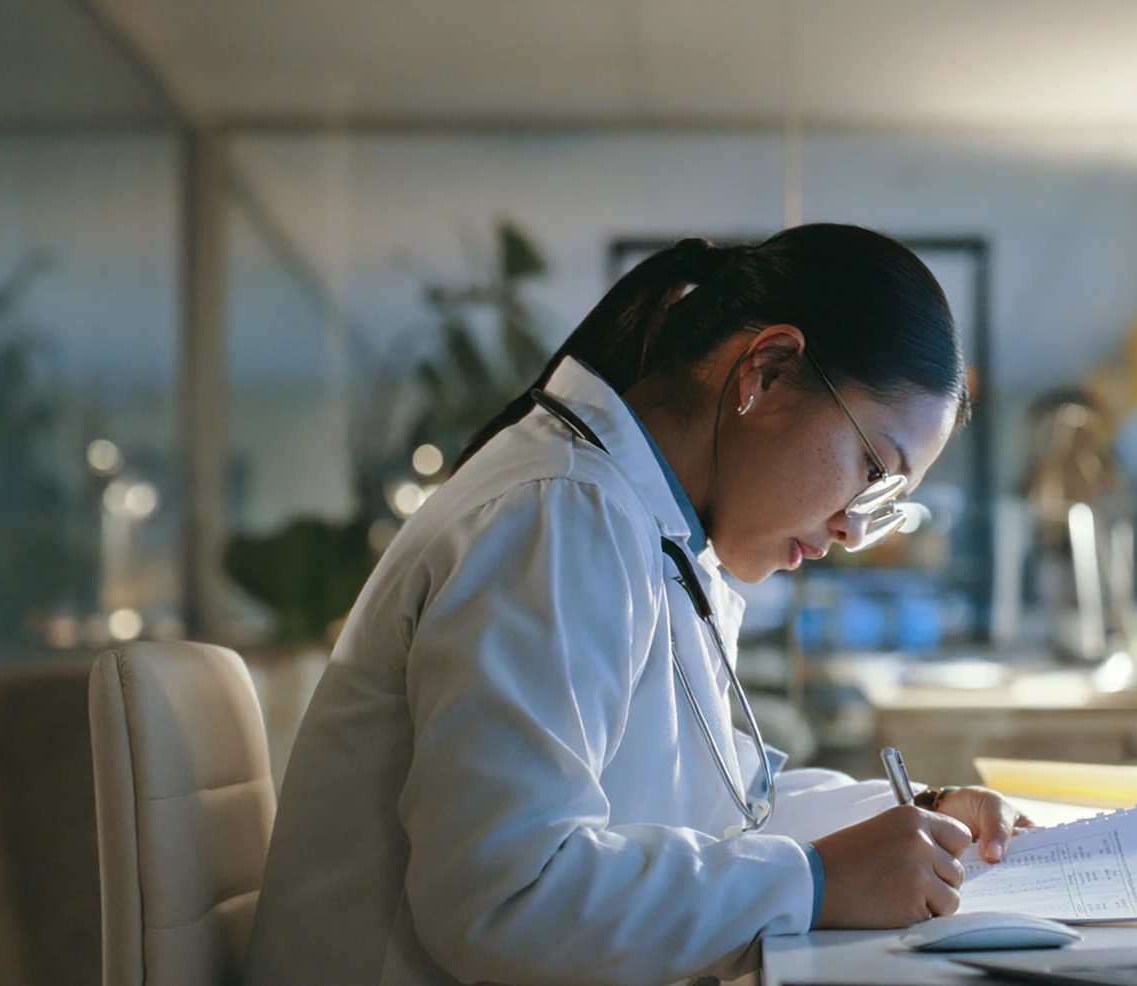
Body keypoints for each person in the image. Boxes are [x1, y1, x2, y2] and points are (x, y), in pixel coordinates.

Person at [245, 224, 1030, 986]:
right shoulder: (555, 515)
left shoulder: (642, 529)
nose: (856, 529)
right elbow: (506, 899)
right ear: (769, 370)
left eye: (886, 500)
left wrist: (923, 820)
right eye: (872, 469)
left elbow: (722, 820)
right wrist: (816, 883)